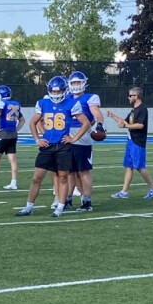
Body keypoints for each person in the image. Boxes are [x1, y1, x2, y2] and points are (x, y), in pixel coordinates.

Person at [15, 75, 89, 218]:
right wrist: (37, 139)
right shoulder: (43, 103)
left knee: (62, 177)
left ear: (64, 90)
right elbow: (32, 122)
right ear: (49, 91)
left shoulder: (71, 103)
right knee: (36, 177)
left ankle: (60, 207)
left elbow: (85, 123)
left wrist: (73, 138)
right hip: (47, 145)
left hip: (62, 146)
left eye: (58, 91)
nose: (55, 94)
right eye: (53, 92)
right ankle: (28, 206)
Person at [106, 86, 153, 200]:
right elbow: (125, 122)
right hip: (130, 141)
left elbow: (140, 125)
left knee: (139, 167)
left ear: (136, 96)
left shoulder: (142, 109)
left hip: (137, 141)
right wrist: (113, 116)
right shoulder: (134, 110)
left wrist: (125, 125)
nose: (128, 97)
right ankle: (124, 192)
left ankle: (152, 188)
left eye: (130, 95)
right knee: (128, 166)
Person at [63, 70, 103, 211]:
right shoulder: (66, 97)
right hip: (67, 136)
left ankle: (86, 201)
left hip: (82, 135)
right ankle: (67, 200)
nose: (75, 85)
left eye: (78, 82)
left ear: (84, 83)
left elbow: (96, 114)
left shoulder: (90, 98)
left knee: (83, 170)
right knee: (70, 171)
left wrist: (99, 125)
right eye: (73, 82)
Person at [0, 84, 23, 190]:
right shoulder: (15, 104)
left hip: (3, 134)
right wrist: (16, 129)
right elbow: (22, 120)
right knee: (13, 160)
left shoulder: (0, 103)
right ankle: (14, 182)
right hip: (13, 134)